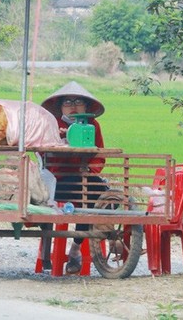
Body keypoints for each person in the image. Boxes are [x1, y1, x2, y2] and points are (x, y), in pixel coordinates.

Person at [41, 81, 108, 274]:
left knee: (100, 194)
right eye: (68, 102)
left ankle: (76, 247)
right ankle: (62, 251)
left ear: (86, 106)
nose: (73, 106)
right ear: (60, 106)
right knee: (91, 193)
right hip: (57, 181)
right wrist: (60, 140)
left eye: (78, 101)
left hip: (84, 180)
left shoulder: (92, 125)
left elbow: (100, 156)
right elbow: (42, 154)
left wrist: (89, 171)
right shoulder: (52, 124)